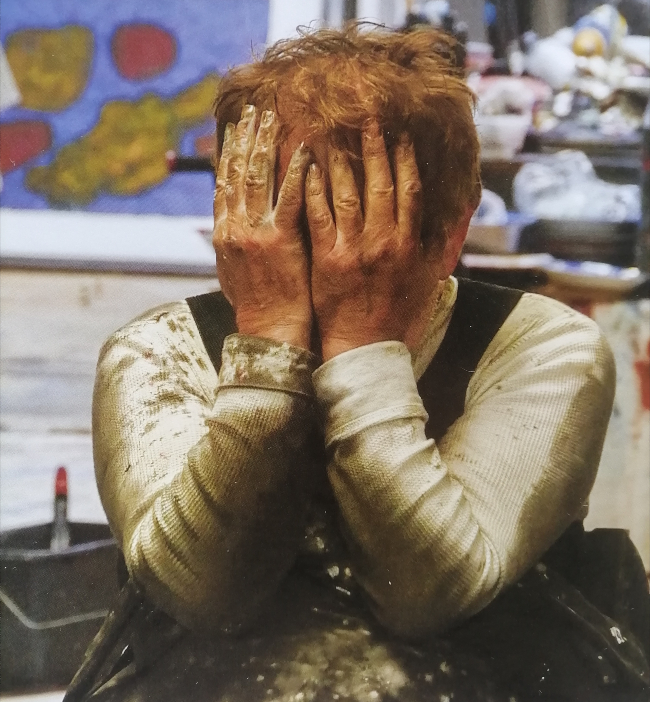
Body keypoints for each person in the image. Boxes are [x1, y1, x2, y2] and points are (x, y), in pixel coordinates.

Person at [69, 24, 649, 702]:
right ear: (233, 223)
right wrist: (268, 348)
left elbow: (427, 593)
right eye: (295, 224)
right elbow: (201, 592)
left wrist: (361, 348)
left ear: (451, 234)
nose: (335, 262)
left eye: (369, 231)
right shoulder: (159, 349)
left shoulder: (542, 347)